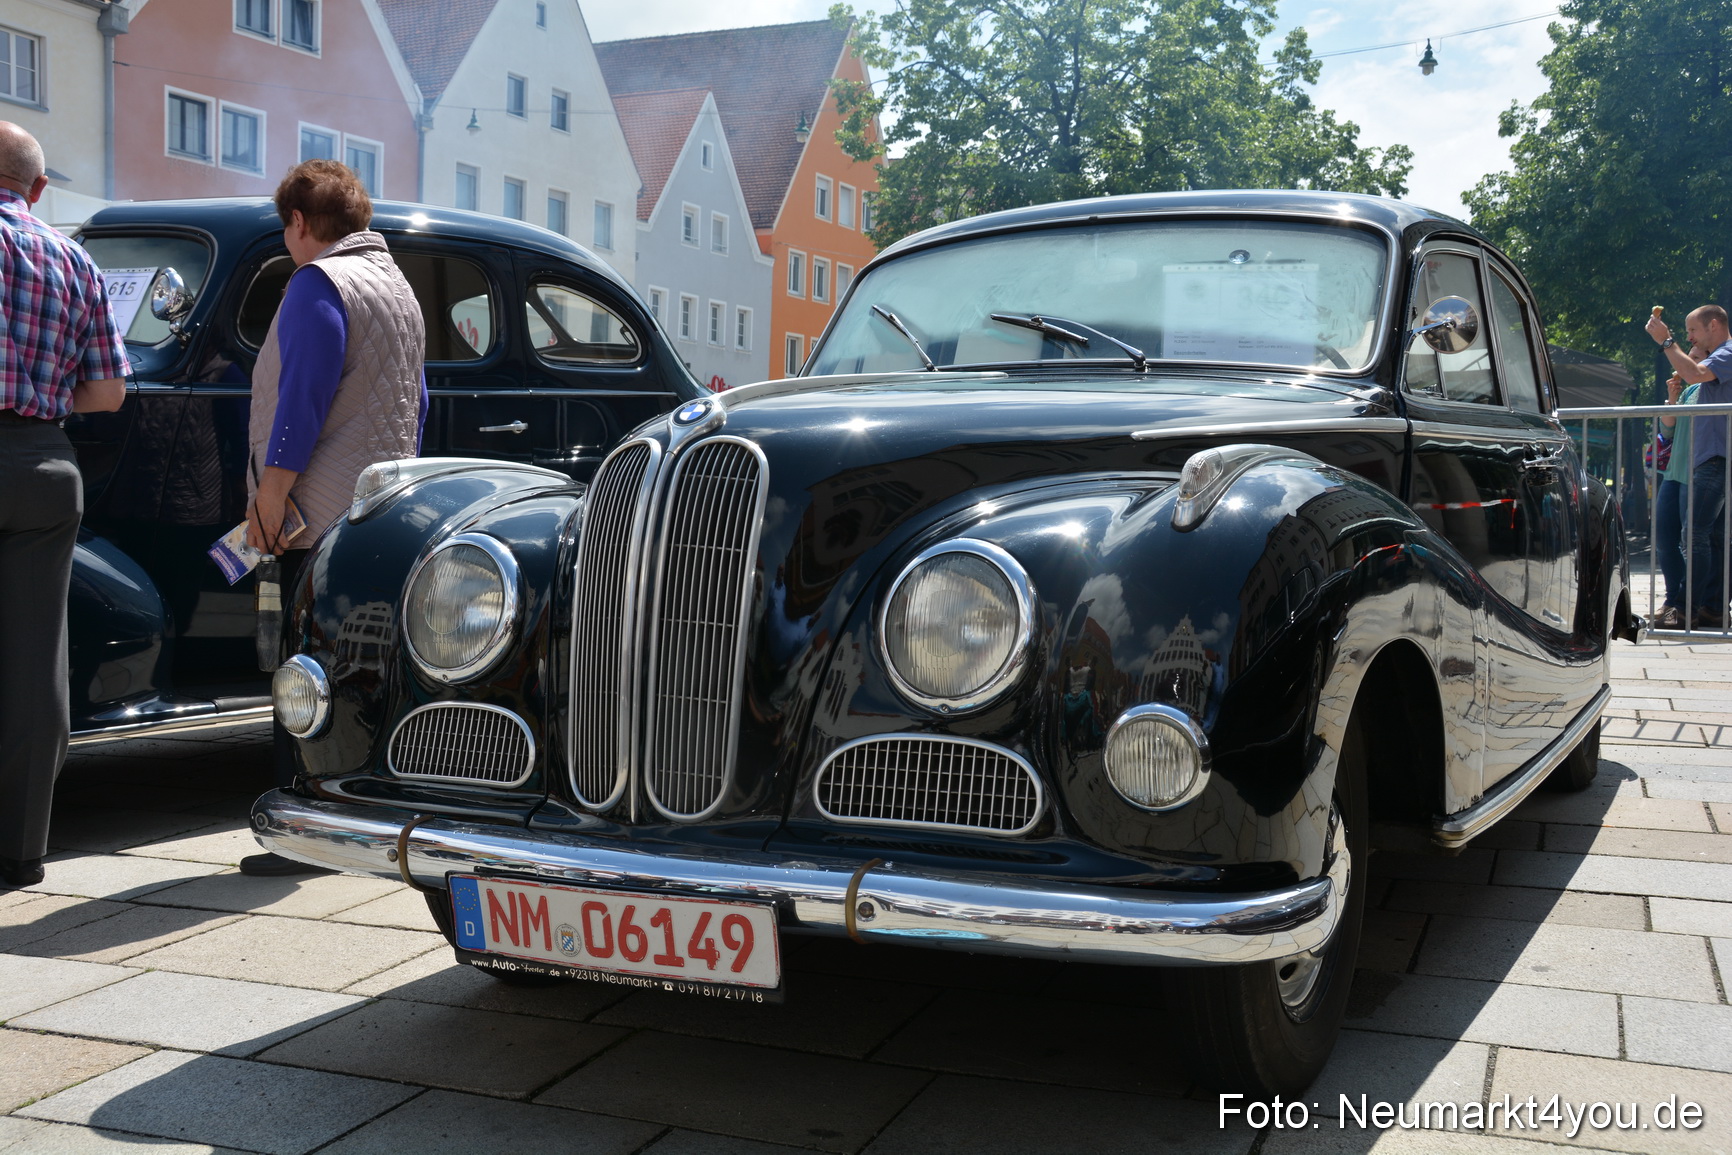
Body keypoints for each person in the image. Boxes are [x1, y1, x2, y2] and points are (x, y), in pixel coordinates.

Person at [239, 159, 426, 877]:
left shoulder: (318, 283)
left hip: (312, 510)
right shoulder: (397, 287)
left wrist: (271, 494)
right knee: (357, 667)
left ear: (297, 222)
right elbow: (420, 397)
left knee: (303, 671)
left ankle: (302, 829)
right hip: (378, 502)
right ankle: (355, 817)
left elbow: (302, 401)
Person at [0, 122, 129, 887]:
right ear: (39, 189)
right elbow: (108, 393)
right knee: (34, 658)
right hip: (46, 463)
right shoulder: (71, 256)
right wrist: (42, 396)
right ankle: (20, 850)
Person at [1647, 305, 1732, 629]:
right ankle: (1711, 609)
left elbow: (1694, 373)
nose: (1690, 338)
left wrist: (1667, 341)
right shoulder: (1720, 356)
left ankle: (1684, 609)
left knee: (1695, 535)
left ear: (1713, 324)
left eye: (1693, 331)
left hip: (1715, 459)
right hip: (1712, 459)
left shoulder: (1727, 353)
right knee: (1712, 538)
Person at [1652, 352, 1702, 629]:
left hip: (1699, 474)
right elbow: (1667, 431)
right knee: (1665, 539)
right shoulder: (1690, 390)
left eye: (1692, 357)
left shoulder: (1713, 385)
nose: (1683, 363)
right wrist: (1672, 398)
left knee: (1692, 541)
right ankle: (1672, 601)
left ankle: (1686, 604)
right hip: (1674, 473)